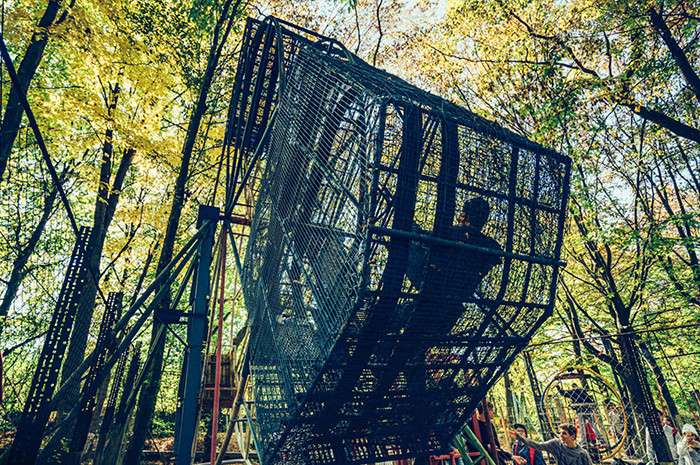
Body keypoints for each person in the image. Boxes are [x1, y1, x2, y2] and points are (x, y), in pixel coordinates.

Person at [418, 197, 502, 336]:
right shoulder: (489, 245)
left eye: (462, 212)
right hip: (457, 299)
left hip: (434, 293)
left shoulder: (452, 233)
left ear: (466, 215)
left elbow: (423, 238)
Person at [467, 401, 527, 465]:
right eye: (491, 410)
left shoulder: (490, 425)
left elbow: (497, 448)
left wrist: (512, 457)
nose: (493, 412)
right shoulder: (470, 424)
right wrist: (486, 447)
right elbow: (470, 445)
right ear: (485, 411)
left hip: (495, 460)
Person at [507, 423, 593, 465]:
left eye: (564, 433)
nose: (561, 435)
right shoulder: (556, 444)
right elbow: (537, 445)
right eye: (560, 433)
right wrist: (518, 437)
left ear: (572, 437)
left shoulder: (582, 453)